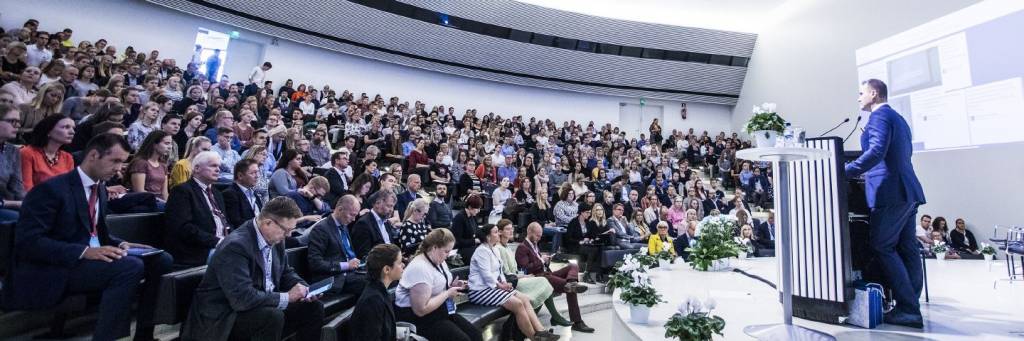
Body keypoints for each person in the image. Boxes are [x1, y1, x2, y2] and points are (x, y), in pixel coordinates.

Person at [4, 133, 172, 341]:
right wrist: (85, 252)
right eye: (115, 161)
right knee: (129, 267)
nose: (120, 168)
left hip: (86, 262)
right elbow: (29, 243)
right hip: (54, 267)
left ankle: (144, 335)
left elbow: (96, 233)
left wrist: (121, 243)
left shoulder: (99, 187)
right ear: (93, 155)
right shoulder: (50, 190)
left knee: (161, 259)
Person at [181, 197, 324, 341]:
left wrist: (305, 289)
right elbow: (242, 298)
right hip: (224, 315)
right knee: (272, 317)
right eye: (286, 230)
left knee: (313, 308)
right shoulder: (236, 246)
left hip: (258, 303)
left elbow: (285, 272)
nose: (288, 235)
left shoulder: (276, 239)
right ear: (268, 223)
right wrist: (287, 297)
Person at [845, 79, 927, 328]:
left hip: (889, 192)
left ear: (873, 93)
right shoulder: (899, 118)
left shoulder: (879, 117)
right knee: (907, 248)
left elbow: (877, 152)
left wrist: (845, 171)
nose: (859, 98)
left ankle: (909, 309)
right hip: (907, 190)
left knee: (882, 245)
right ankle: (910, 304)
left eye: (861, 93)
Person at [468, 224, 560, 341]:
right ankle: (534, 337)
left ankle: (541, 331)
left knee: (525, 299)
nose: (498, 234)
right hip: (480, 291)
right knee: (518, 304)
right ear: (487, 236)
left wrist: (505, 283)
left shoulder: (494, 249)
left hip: (493, 288)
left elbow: (500, 271)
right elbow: (487, 274)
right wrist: (500, 285)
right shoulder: (481, 251)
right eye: (495, 232)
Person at [394, 228, 482, 341]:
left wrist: (452, 287)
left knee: (475, 335)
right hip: (420, 320)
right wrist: (447, 293)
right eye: (446, 251)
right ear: (434, 247)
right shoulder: (419, 268)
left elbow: (436, 289)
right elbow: (420, 310)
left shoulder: (438, 260)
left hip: (439, 312)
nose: (448, 254)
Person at [516, 222, 594, 332]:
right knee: (570, 289)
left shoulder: (534, 245)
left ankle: (572, 282)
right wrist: (541, 260)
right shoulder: (522, 247)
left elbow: (539, 264)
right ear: (529, 232)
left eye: (540, 235)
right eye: (537, 235)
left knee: (573, 266)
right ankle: (577, 322)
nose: (539, 238)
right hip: (538, 278)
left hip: (546, 274)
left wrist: (545, 261)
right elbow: (526, 268)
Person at [163, 151, 230, 268]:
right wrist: (217, 241)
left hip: (221, 245)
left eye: (219, 166)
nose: (218, 170)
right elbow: (183, 228)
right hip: (196, 250)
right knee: (233, 256)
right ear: (197, 168)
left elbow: (226, 222)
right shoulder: (182, 191)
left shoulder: (217, 193)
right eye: (213, 166)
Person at [307, 195, 367, 299]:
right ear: (340, 209)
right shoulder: (321, 229)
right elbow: (315, 263)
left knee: (380, 276)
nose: (353, 219)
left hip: (350, 275)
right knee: (372, 283)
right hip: (333, 278)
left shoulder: (343, 226)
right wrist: (346, 265)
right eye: (352, 215)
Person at [347, 243, 403, 341]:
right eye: (399, 262)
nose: (403, 265)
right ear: (387, 269)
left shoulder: (379, 292)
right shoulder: (373, 300)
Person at [20, 114, 74, 192]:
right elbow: (27, 189)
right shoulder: (28, 153)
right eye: (66, 127)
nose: (72, 132)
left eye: (73, 128)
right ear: (49, 131)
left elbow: (70, 189)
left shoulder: (68, 157)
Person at [350, 189, 398, 259]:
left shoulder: (386, 223)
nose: (391, 210)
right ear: (377, 203)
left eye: (392, 207)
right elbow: (364, 255)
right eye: (389, 206)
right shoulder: (363, 224)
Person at [128, 130, 172, 204]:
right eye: (166, 143)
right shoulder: (140, 163)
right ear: (154, 144)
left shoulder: (163, 165)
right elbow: (139, 191)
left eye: (171, 144)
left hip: (160, 203)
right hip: (145, 203)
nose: (170, 147)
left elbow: (165, 193)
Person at [221, 159, 264, 228]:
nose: (257, 176)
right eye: (253, 173)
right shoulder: (230, 194)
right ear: (240, 175)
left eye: (257, 172)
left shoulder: (253, 192)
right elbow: (236, 222)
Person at [0, 103, 24, 223]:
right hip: (4, 205)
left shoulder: (13, 151)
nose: (18, 125)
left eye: (18, 122)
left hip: (6, 204)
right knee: (18, 220)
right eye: (13, 121)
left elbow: (17, 189)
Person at [451, 194, 483, 263]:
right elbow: (457, 241)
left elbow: (477, 231)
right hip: (461, 249)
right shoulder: (459, 218)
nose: (479, 211)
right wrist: (474, 241)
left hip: (470, 246)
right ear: (470, 207)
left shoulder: (472, 216)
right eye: (477, 208)